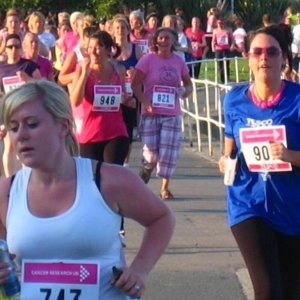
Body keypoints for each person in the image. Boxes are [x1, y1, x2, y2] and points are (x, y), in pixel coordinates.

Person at [0, 80, 175, 299]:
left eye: (32, 124)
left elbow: (161, 218)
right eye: (13, 128)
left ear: (63, 126)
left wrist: (140, 269)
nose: (21, 135)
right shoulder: (6, 192)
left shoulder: (107, 180)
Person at [218, 24, 300, 300]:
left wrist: (290, 156)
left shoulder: (297, 100)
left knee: (290, 291)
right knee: (266, 289)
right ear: (248, 58)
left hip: (291, 204)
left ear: (284, 58)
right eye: (257, 52)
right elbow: (230, 148)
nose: (264, 57)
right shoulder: (233, 100)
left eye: (272, 52)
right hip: (247, 202)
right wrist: (225, 161)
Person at [131, 27, 193, 199]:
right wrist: (145, 102)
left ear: (173, 41)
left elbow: (189, 85)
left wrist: (184, 91)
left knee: (168, 152)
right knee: (151, 155)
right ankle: (146, 170)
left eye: (168, 38)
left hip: (172, 112)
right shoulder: (147, 59)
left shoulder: (178, 61)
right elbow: (135, 84)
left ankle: (165, 188)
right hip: (151, 112)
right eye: (161, 38)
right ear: (155, 41)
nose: (164, 41)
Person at [70, 31, 130, 165]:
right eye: (90, 48)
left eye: (98, 47)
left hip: (116, 132)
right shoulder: (81, 69)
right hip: (90, 133)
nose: (93, 52)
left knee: (111, 174)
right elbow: (75, 101)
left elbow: (122, 95)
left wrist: (126, 99)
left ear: (109, 50)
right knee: (93, 180)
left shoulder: (119, 69)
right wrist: (84, 76)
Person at [113, 16, 143, 167]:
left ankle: (125, 161)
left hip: (131, 93)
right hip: (114, 93)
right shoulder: (110, 49)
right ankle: (115, 158)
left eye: (123, 28)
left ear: (128, 30)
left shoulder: (135, 49)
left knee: (129, 126)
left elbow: (144, 70)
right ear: (113, 31)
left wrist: (135, 72)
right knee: (115, 124)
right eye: (117, 28)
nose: (120, 31)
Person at [211, 18, 233, 83]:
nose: (220, 25)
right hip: (218, 49)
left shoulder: (228, 30)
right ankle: (222, 79)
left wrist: (232, 45)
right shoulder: (215, 31)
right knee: (220, 65)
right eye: (219, 23)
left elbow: (232, 39)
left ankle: (227, 78)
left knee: (226, 64)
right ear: (217, 24)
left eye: (221, 23)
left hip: (226, 49)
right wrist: (213, 46)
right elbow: (213, 40)